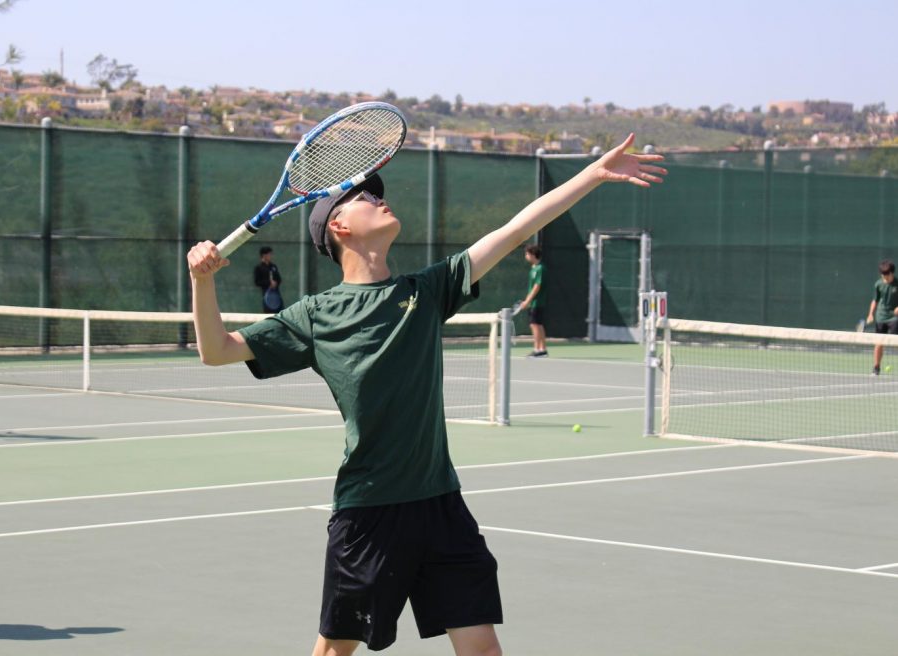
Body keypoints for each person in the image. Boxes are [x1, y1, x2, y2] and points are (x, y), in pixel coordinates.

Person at [186, 132, 666, 655]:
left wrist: (593, 173)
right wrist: (202, 281)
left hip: (440, 504)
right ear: (340, 227)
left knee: (482, 647)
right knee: (333, 651)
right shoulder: (316, 315)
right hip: (369, 511)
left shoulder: (426, 291)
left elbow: (514, 230)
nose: (377, 197)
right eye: (361, 196)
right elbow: (217, 350)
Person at [866, 259, 898, 375]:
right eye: (883, 275)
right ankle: (876, 368)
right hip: (881, 317)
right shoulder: (878, 284)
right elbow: (875, 300)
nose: (885, 277)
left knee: (896, 342)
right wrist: (870, 314)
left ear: (892, 273)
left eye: (887, 275)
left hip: (894, 318)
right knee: (879, 343)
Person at [519, 244, 547, 357]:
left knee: (535, 325)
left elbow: (537, 287)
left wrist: (527, 301)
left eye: (527, 254)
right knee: (537, 325)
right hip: (534, 302)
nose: (526, 256)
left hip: (537, 302)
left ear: (532, 254)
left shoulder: (540, 268)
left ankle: (538, 349)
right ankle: (542, 349)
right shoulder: (534, 268)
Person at [254, 246, 282, 313]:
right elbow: (257, 282)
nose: (271, 256)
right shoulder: (258, 268)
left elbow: (279, 279)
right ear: (264, 255)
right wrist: (269, 283)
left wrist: (275, 283)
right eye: (269, 254)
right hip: (266, 296)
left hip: (276, 295)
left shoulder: (273, 266)